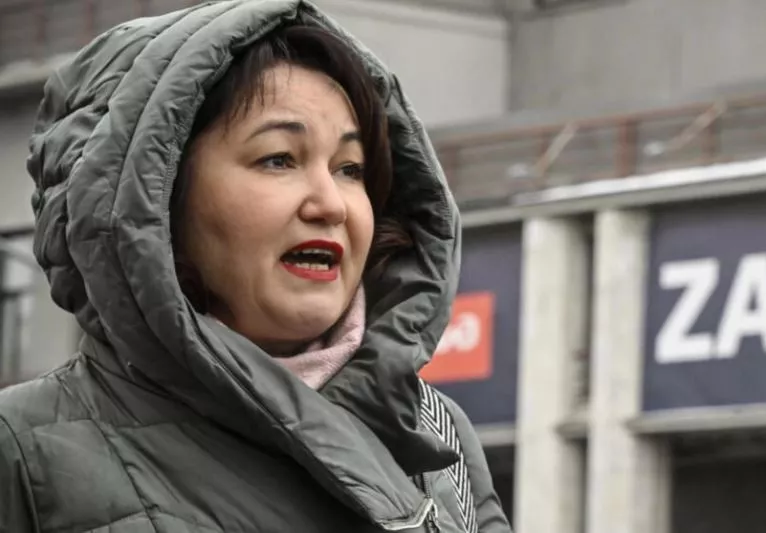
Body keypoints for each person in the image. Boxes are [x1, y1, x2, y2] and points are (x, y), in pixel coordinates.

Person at [0, 1, 511, 532]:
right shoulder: (21, 450)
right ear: (156, 197)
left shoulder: (435, 437)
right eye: (278, 159)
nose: (331, 204)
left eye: (350, 168)